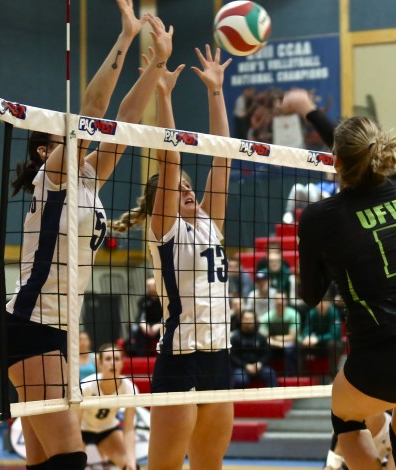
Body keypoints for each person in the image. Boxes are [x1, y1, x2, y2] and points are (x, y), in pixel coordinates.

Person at [4, 5, 157, 467]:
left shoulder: (87, 180)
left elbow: (124, 124)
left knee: (44, 461)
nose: (80, 139)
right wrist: (126, 37)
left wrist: (155, 66)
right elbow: (91, 111)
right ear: (45, 148)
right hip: (33, 324)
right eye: (67, 135)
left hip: (60, 329)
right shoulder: (50, 178)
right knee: (70, 459)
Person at [297, 115, 396, 470]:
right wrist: (314, 114)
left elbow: (310, 296)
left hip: (384, 353)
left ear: (335, 160)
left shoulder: (318, 218)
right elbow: (358, 148)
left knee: (345, 421)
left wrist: (324, 261)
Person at [107, 44, 235, 470]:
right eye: (177, 189)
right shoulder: (166, 230)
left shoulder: (209, 225)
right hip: (181, 361)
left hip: (220, 357)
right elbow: (169, 155)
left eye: (187, 187)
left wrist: (215, 92)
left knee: (209, 466)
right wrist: (163, 96)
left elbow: (224, 158)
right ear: (160, 201)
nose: (187, 190)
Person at [80, 344, 139, 470]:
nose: (113, 363)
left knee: (131, 467)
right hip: (81, 430)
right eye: (108, 359)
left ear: (122, 363)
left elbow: (129, 428)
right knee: (71, 464)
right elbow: (74, 423)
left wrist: (131, 461)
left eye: (117, 359)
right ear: (100, 364)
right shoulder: (86, 386)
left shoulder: (130, 389)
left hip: (107, 430)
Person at [230, 310, 278, 388]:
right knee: (240, 380)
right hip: (241, 368)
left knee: (270, 373)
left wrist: (260, 363)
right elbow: (232, 357)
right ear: (241, 320)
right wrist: (246, 366)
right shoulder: (235, 338)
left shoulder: (261, 337)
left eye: (251, 319)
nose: (248, 322)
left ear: (255, 321)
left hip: (259, 367)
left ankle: (275, 399)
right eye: (246, 319)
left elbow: (267, 354)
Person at [301, 293, 344, 379]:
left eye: (324, 302)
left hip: (332, 344)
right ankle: (303, 376)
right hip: (317, 345)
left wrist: (318, 339)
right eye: (319, 302)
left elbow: (334, 334)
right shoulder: (312, 313)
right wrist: (306, 338)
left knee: (333, 344)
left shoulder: (334, 312)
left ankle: (333, 376)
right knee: (300, 345)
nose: (321, 304)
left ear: (328, 303)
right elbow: (306, 329)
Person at [261, 292, 301, 377]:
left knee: (289, 349)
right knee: (265, 348)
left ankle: (290, 376)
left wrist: (275, 338)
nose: (280, 301)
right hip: (274, 345)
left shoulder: (293, 314)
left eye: (282, 299)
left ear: (286, 301)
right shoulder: (267, 317)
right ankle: (270, 375)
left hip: (290, 344)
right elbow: (263, 338)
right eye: (277, 299)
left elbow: (292, 337)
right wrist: (279, 343)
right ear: (273, 301)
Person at [129, 278, 163, 357]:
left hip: (161, 325)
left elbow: (167, 315)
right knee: (135, 329)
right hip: (146, 327)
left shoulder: (163, 299)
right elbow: (140, 315)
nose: (150, 287)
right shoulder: (142, 300)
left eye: (152, 285)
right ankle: (139, 356)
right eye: (148, 286)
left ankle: (163, 356)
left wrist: (159, 325)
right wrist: (143, 324)